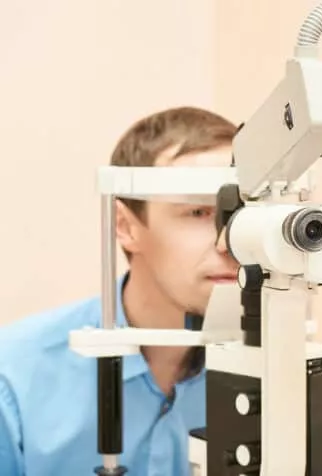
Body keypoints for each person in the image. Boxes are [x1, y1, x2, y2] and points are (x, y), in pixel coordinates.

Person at [0, 106, 240, 475]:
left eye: (239, 213)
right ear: (125, 226)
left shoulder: (272, 368)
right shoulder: (15, 378)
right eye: (198, 212)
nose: (229, 243)